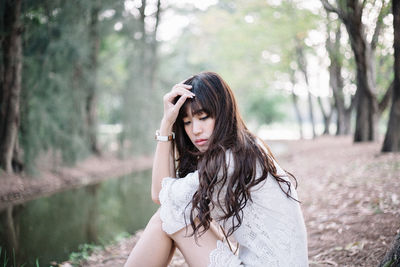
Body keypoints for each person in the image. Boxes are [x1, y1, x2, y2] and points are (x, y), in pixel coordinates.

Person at [124, 72, 308, 267]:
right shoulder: (245, 148)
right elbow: (167, 194)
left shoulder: (230, 159)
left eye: (203, 117)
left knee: (166, 215)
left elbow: (160, 194)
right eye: (186, 122)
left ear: (222, 113)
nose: (195, 130)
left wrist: (165, 126)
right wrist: (169, 122)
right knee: (180, 209)